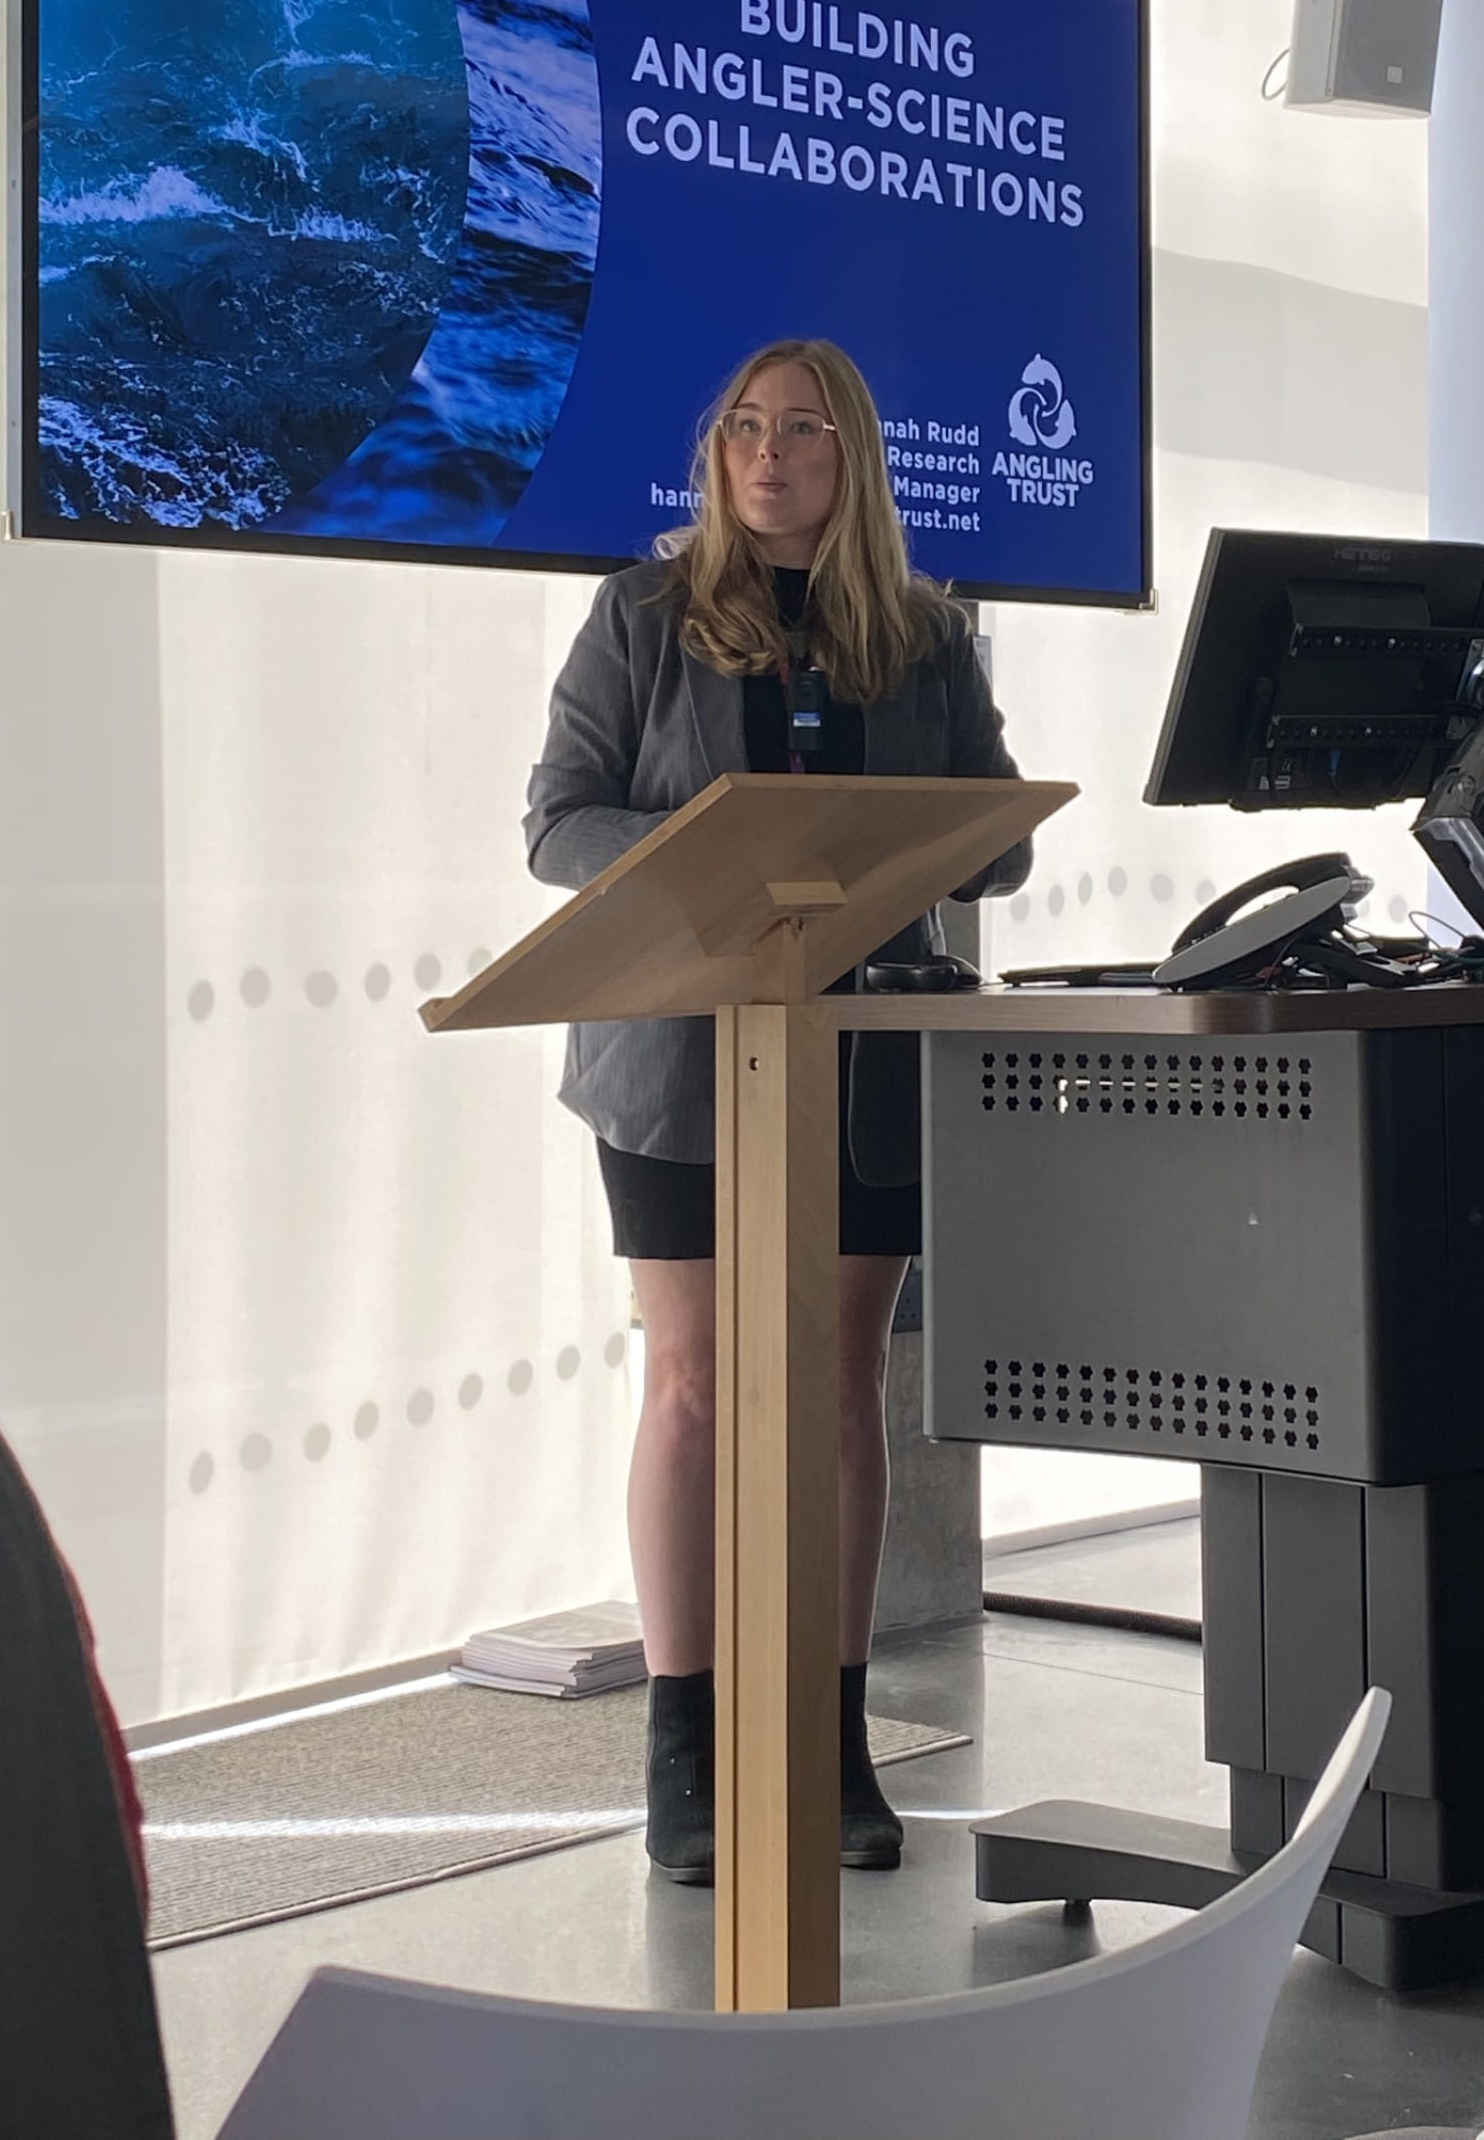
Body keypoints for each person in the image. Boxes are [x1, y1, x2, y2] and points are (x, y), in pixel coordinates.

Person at [523, 336, 1031, 1884]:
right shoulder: (640, 616)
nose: (769, 454)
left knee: (838, 1383)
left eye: (802, 430)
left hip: (863, 1059)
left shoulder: (928, 636)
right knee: (692, 1385)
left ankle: (827, 1738)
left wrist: (911, 841)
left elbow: (995, 844)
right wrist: (728, 844)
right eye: (743, 426)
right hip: (679, 1057)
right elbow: (558, 822)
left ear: (853, 457)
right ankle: (688, 1751)